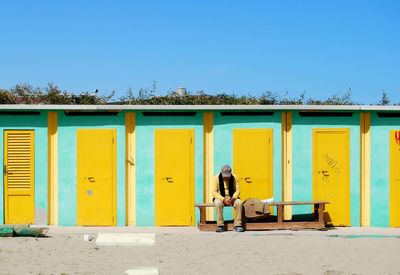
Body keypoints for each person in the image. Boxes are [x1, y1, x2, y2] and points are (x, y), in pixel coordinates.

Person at [212, 165, 244, 232]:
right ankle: (220, 225)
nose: (226, 178)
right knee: (217, 203)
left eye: (228, 176)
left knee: (239, 202)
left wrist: (233, 198)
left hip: (232, 197)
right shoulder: (216, 178)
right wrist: (223, 199)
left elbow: (238, 190)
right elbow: (214, 192)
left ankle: (238, 225)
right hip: (220, 197)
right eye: (224, 176)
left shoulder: (235, 177)